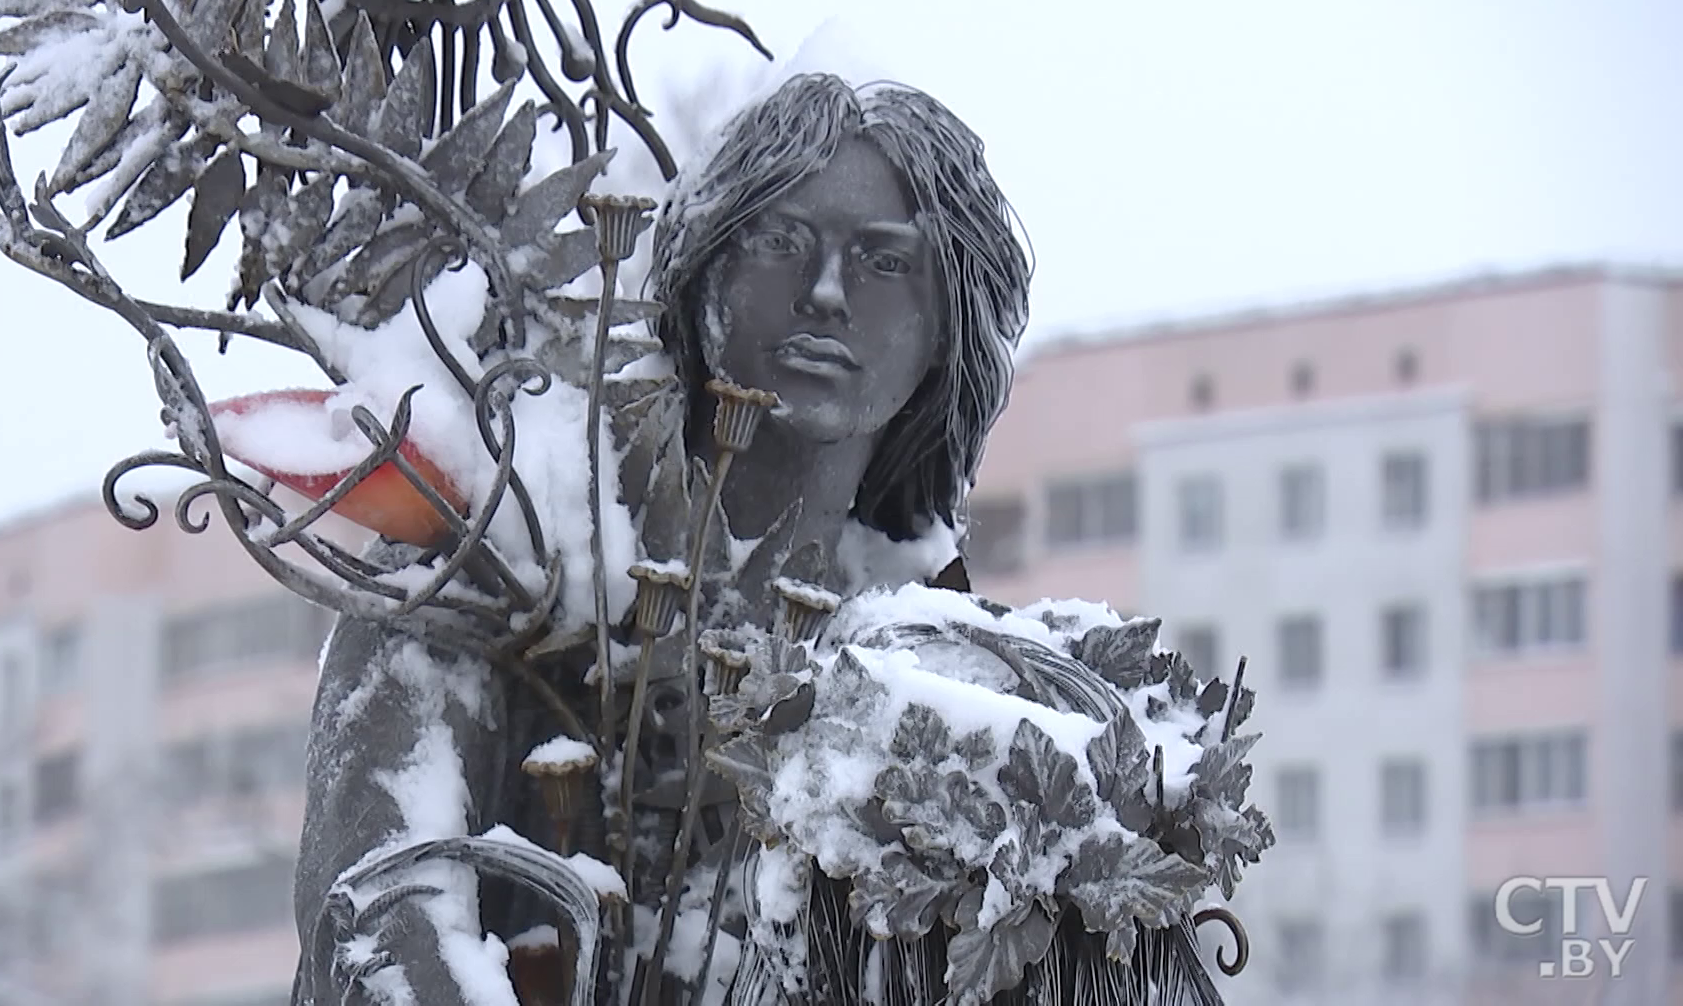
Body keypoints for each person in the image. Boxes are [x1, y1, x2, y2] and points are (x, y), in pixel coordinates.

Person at [294, 73, 1226, 1006]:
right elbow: (379, 907)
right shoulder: (508, 534)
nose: (825, 291)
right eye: (782, 242)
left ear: (950, 326)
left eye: (885, 261)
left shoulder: (960, 683)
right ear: (705, 274)